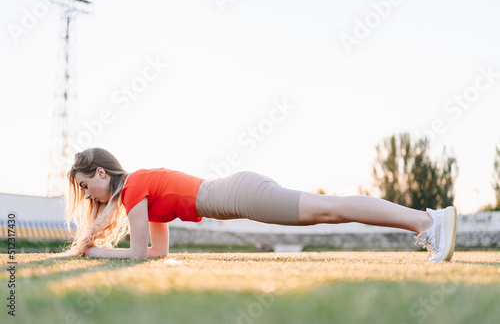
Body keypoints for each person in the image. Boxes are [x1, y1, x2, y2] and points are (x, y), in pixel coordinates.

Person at [61, 147, 458, 262]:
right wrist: (102, 248)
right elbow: (156, 252)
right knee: (329, 210)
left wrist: (96, 252)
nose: (91, 196)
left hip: (240, 195)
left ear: (100, 173)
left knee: (330, 209)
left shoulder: (133, 189)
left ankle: (428, 221)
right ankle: (427, 223)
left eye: (86, 186)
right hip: (239, 193)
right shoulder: (141, 191)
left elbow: (135, 254)